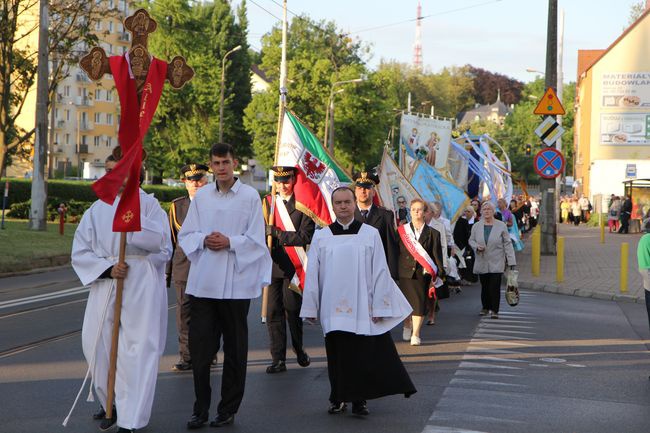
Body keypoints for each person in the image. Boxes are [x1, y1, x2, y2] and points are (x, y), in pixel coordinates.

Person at [71, 152, 172, 433]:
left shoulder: (150, 206)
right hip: (107, 282)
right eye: (108, 169)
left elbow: (164, 248)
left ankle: (132, 417)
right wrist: (106, 268)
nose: (111, 175)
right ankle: (110, 402)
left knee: (136, 350)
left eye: (118, 170)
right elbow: (80, 250)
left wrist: (133, 226)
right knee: (94, 343)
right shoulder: (96, 209)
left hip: (139, 283)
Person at [178, 143, 272, 429]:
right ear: (211, 165)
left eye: (226, 162)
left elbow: (257, 239)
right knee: (201, 350)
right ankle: (200, 409)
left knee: (234, 350)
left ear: (235, 164)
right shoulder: (202, 196)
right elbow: (187, 234)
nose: (221, 168)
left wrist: (231, 242)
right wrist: (204, 239)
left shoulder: (250, 197)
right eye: (216, 163)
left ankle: (228, 408)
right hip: (204, 284)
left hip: (235, 285)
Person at [300, 187, 416, 416]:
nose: (343, 206)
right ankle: (337, 396)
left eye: (347, 202)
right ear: (332, 206)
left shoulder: (370, 234)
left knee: (360, 355)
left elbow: (380, 271)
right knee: (336, 354)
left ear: (354, 204)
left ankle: (359, 400)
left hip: (362, 305)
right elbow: (312, 273)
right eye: (338, 203)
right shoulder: (322, 236)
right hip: (332, 307)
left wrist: (381, 306)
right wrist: (311, 306)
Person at [262, 166, 315, 374]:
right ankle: (278, 358)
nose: (283, 185)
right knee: (273, 312)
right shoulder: (268, 203)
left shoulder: (303, 205)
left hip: (295, 266)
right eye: (279, 181)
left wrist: (277, 233)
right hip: (273, 264)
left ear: (294, 180)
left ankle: (299, 348)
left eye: (287, 181)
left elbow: (305, 236)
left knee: (292, 310)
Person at [167, 163, 210, 372]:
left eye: (199, 179)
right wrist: (168, 273)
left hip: (209, 265)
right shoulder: (176, 206)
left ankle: (208, 354)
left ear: (206, 180)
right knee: (184, 314)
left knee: (208, 314)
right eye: (191, 180)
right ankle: (187, 356)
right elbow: (171, 241)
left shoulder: (215, 204)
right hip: (183, 267)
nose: (195, 183)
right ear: (184, 182)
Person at [397, 199, 445, 345]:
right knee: (406, 303)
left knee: (419, 303)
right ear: (410, 211)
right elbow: (396, 252)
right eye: (413, 209)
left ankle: (416, 333)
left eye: (419, 209)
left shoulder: (433, 233)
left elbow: (437, 255)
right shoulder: (401, 231)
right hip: (405, 272)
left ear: (425, 213)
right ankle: (406, 324)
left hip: (422, 274)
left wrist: (438, 274)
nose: (416, 212)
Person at [469, 201, 516, 319]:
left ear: (493, 212)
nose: (486, 211)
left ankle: (495, 310)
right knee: (484, 286)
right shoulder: (476, 226)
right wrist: (476, 247)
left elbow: (507, 243)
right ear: (481, 212)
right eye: (484, 209)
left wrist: (511, 261)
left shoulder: (501, 225)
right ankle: (485, 307)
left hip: (497, 260)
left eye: (489, 209)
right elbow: (471, 240)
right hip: (482, 260)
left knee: (494, 286)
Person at [353, 171, 400, 280]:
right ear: (355, 191)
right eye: (359, 188)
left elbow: (390, 247)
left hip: (377, 272)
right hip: (353, 272)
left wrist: (392, 276)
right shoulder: (348, 215)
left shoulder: (385, 215)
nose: (363, 191)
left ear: (374, 192)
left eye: (367, 188)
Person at [453, 205, 477, 284]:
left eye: (468, 211)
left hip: (472, 245)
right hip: (462, 245)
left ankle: (471, 278)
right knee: (464, 262)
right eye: (465, 211)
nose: (466, 213)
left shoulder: (476, 222)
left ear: (472, 213)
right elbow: (457, 235)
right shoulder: (461, 221)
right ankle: (465, 278)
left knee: (469, 261)